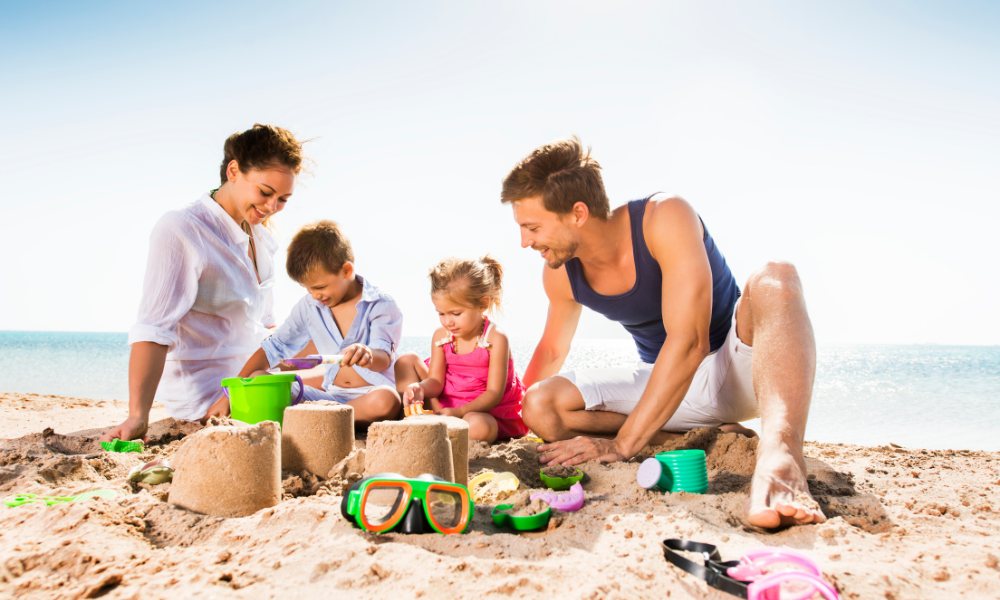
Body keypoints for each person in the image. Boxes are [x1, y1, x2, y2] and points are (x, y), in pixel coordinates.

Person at [500, 137, 825, 529]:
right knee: (540, 404)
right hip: (667, 385)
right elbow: (552, 350)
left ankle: (781, 456)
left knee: (778, 276)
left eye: (532, 227)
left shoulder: (663, 217)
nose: (524, 242)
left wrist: (622, 445)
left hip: (737, 366)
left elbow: (690, 342)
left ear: (578, 213)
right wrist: (511, 419)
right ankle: (690, 438)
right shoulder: (560, 274)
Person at [101, 124, 304, 442]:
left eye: (283, 199)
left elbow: (265, 326)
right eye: (265, 193)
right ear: (233, 171)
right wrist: (138, 416)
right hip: (207, 395)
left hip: (253, 378)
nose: (271, 207)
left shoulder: (263, 238)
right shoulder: (183, 228)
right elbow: (154, 329)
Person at [204, 220, 402, 423]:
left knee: (387, 400)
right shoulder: (309, 307)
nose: (315, 295)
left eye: (320, 287)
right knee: (258, 378)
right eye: (308, 289)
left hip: (369, 394)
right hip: (329, 398)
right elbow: (273, 347)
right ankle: (326, 418)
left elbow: (383, 358)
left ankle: (320, 418)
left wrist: (368, 354)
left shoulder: (381, 304)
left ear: (347, 271)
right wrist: (228, 395)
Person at [394, 257, 529, 442]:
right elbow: (435, 381)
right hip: (447, 402)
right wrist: (420, 388)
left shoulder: (495, 339)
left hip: (480, 409)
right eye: (441, 313)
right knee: (405, 361)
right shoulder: (441, 336)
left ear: (483, 304)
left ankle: (437, 429)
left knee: (479, 427)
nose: (448, 321)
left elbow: (493, 394)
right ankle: (415, 417)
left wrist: (459, 412)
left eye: (456, 313)